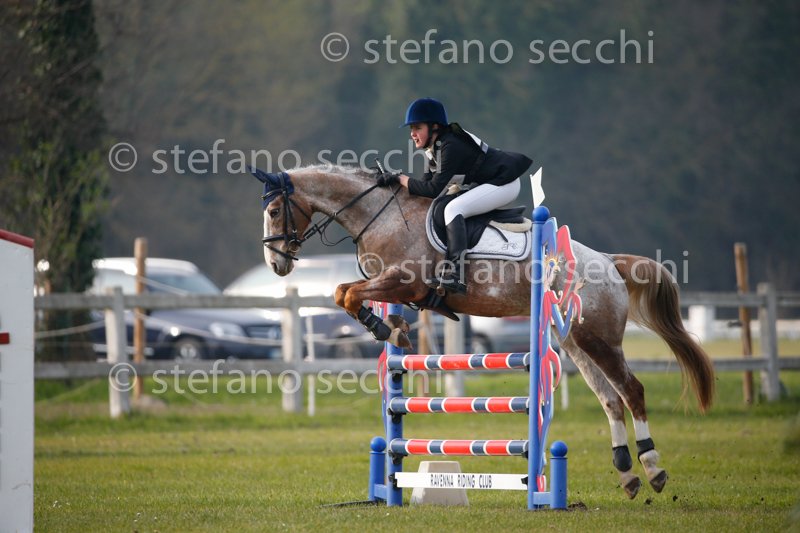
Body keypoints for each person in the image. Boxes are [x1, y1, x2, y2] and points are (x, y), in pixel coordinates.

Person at [376, 97, 532, 295]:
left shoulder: (451, 146)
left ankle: (456, 274)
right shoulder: (435, 148)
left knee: (453, 208)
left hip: (504, 183)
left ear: (434, 127)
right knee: (441, 206)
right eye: (411, 129)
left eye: (417, 128)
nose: (412, 134)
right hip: (487, 182)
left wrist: (399, 178)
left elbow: (433, 189)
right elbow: (425, 188)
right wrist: (395, 182)